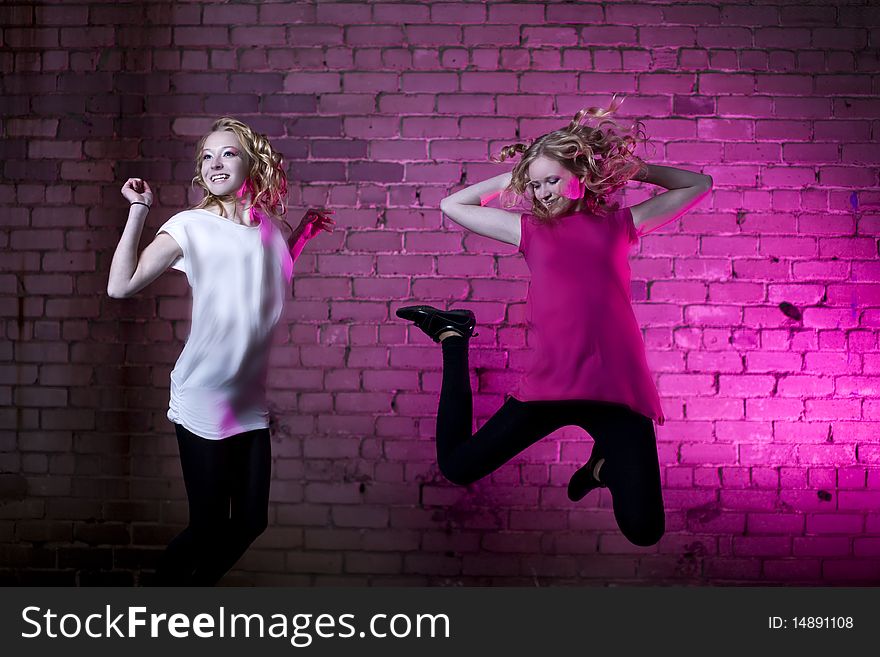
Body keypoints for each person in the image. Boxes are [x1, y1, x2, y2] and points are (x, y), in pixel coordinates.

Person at [397, 97, 712, 546]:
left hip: (616, 389)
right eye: (536, 184)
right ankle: (453, 336)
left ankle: (601, 466)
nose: (542, 192)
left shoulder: (620, 224)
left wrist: (634, 172)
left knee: (644, 531)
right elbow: (454, 205)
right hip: (553, 386)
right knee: (458, 465)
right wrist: (520, 172)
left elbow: (698, 185)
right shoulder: (529, 230)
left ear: (580, 179)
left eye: (552, 181)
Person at [107, 117, 333, 584]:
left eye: (227, 153)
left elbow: (265, 275)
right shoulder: (191, 225)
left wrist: (302, 237)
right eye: (207, 156)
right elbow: (119, 286)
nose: (214, 163)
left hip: (249, 397)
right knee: (208, 526)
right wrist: (139, 211)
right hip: (205, 392)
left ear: (252, 160)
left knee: (251, 521)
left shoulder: (270, 226)